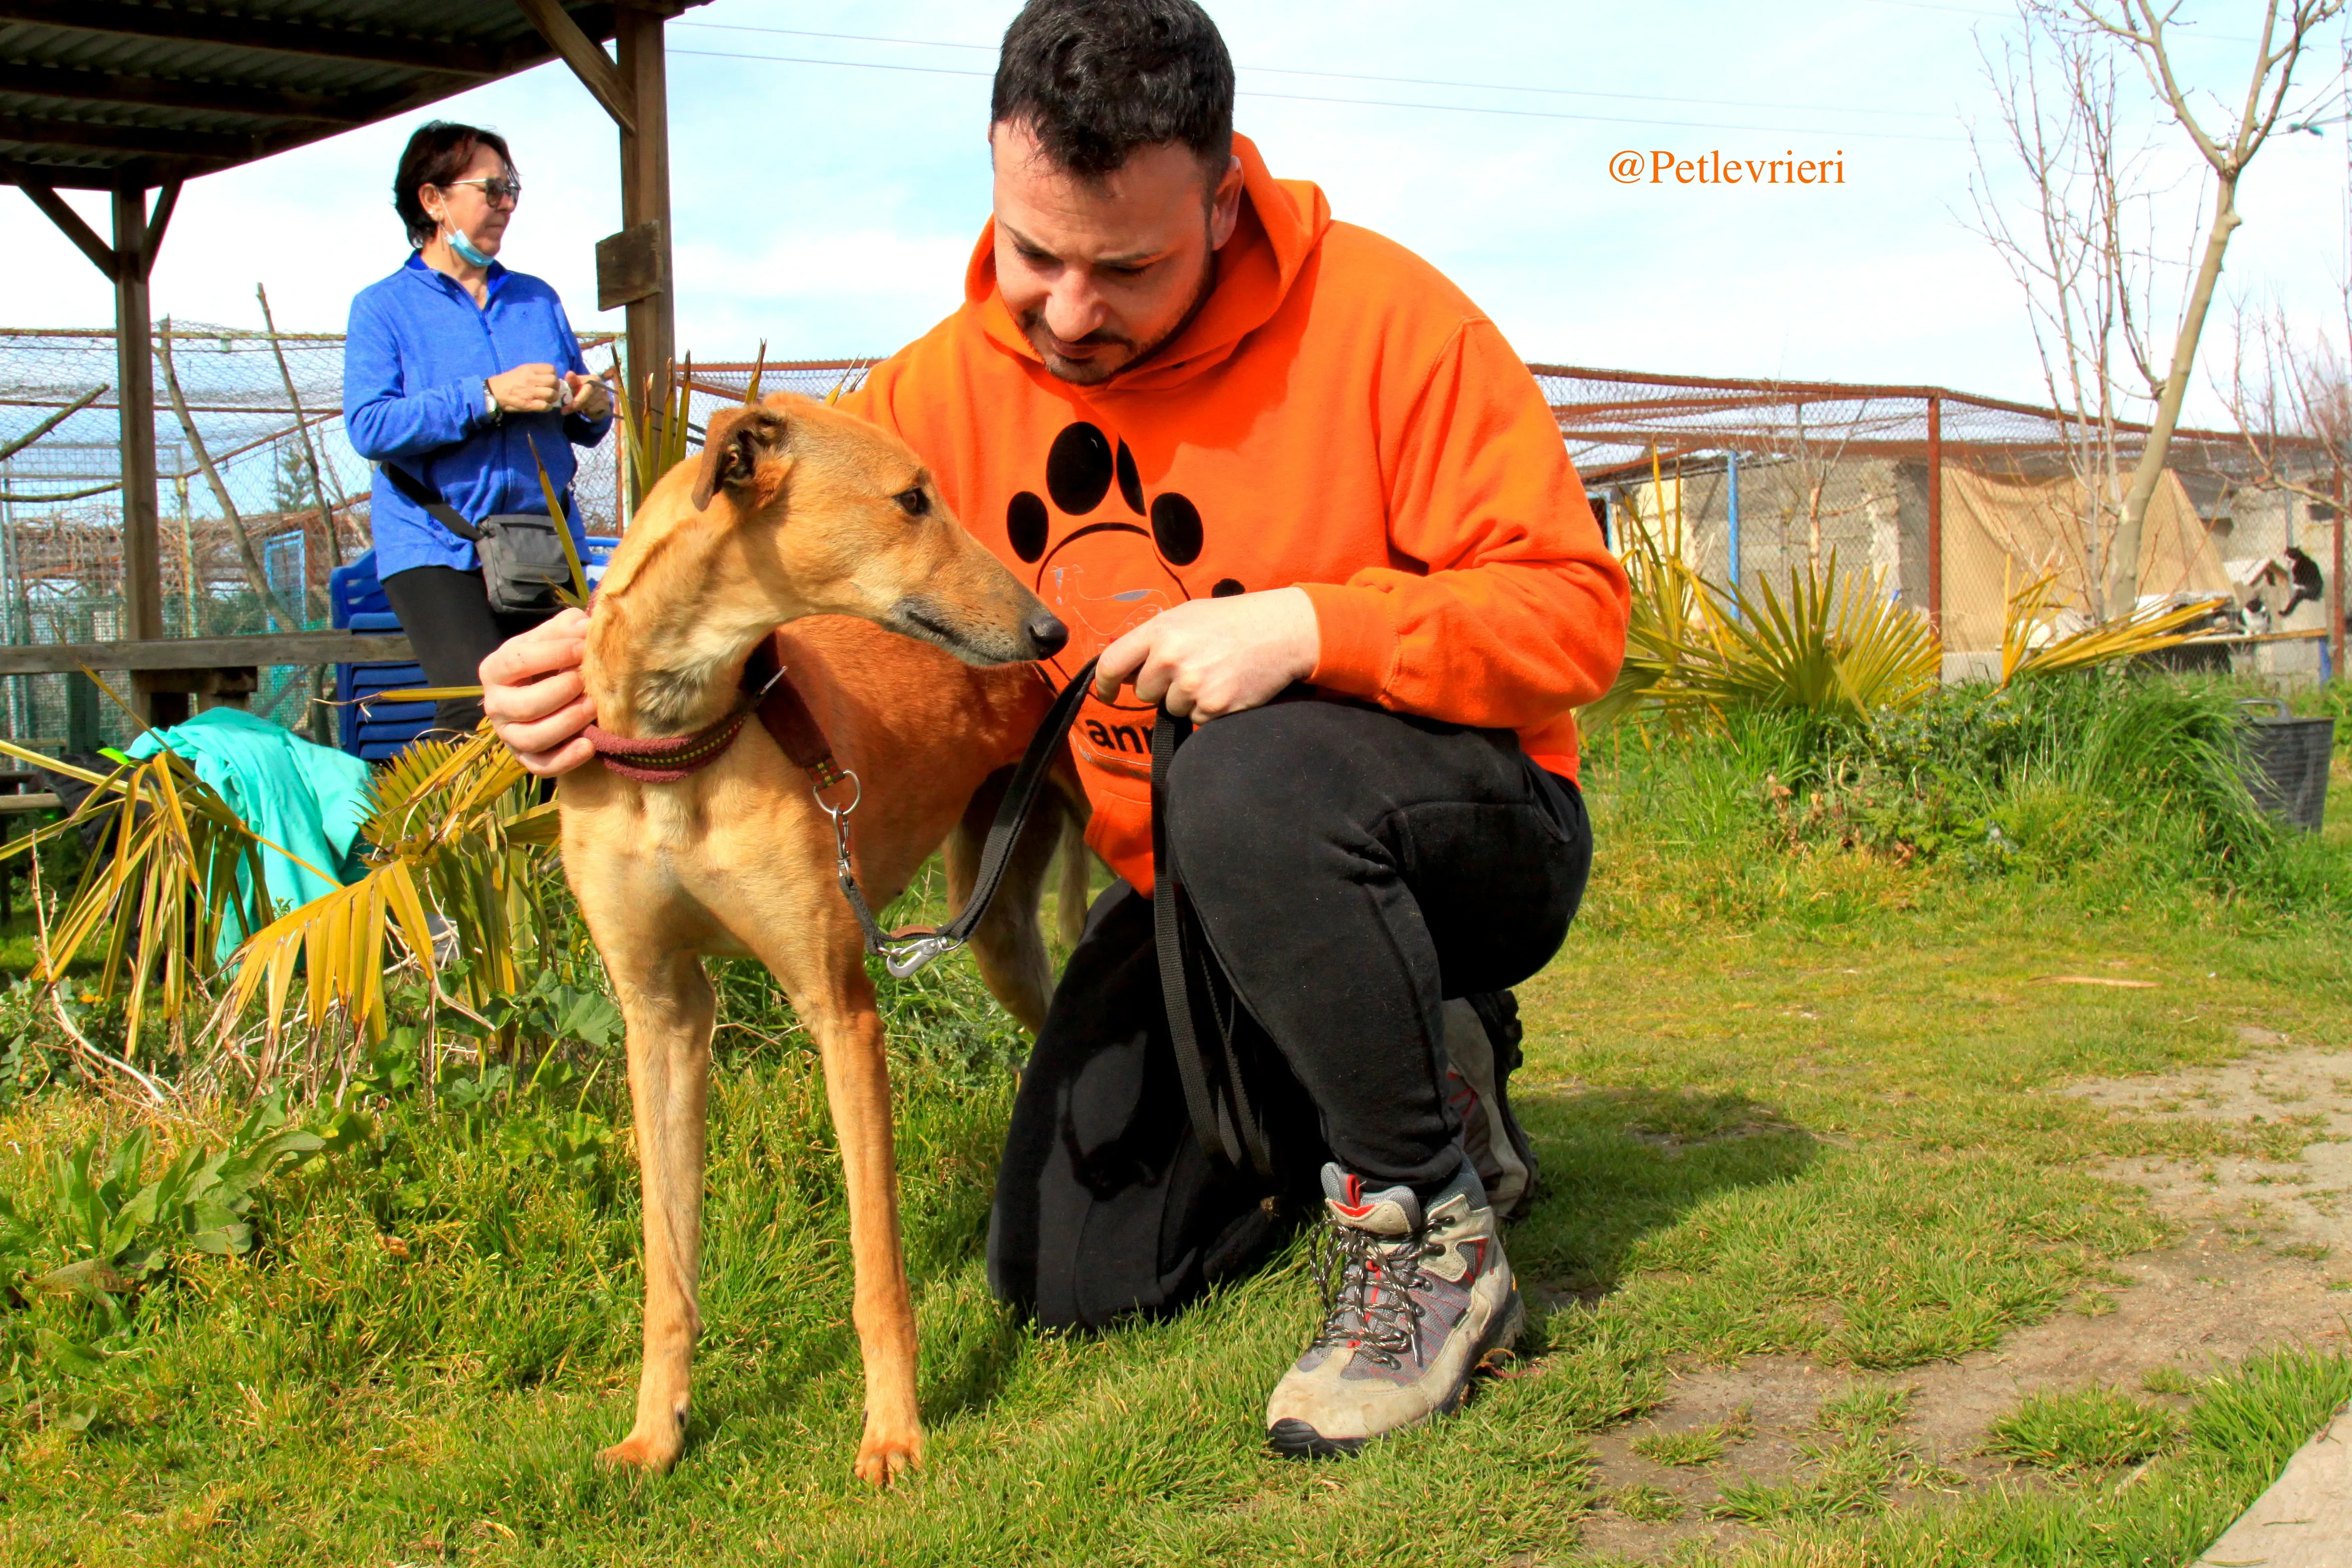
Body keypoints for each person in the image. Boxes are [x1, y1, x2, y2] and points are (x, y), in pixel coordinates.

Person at [482, 0, 1627, 1458]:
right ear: (993, 182)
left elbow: (1578, 615)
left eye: (1128, 266)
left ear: (1222, 203)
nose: (1070, 311)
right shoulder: (933, 396)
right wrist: (614, 665)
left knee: (1249, 749)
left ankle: (1428, 1243)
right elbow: (777, 576)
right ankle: (1412, 1077)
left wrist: (1308, 627)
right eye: (1035, 254)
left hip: (1463, 837)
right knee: (1079, 1276)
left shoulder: (1393, 326)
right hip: (1184, 889)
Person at [343, 120, 612, 738]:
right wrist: (488, 396)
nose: (507, 206)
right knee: (479, 710)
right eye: (491, 189)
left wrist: (589, 403)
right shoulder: (384, 307)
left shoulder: (536, 299)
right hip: (436, 542)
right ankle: (433, 834)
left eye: (513, 189)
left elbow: (589, 421)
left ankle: (549, 838)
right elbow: (370, 425)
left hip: (543, 540)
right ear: (433, 200)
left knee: (567, 709)